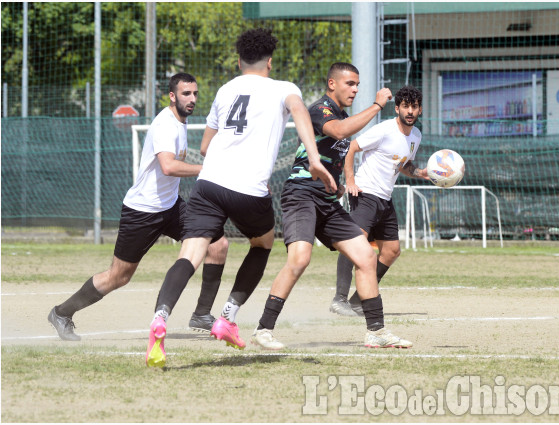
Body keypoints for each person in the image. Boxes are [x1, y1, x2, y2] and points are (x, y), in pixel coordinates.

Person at [145, 28, 336, 368]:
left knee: (190, 254)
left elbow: (205, 147)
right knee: (262, 244)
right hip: (248, 188)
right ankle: (227, 318)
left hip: (209, 183)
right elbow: (301, 112)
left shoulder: (226, 88)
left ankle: (160, 318)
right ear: (270, 61)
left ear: (239, 61)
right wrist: (315, 158)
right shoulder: (284, 88)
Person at [47, 72, 228, 341]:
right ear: (172, 96)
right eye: (186, 94)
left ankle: (202, 313)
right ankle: (62, 313)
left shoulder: (181, 122)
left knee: (217, 244)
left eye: (195, 93)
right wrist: (208, 169)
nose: (192, 99)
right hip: (142, 211)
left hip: (171, 208)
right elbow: (168, 166)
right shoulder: (165, 124)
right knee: (118, 277)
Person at [250, 67, 413, 351]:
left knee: (365, 255)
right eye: (350, 84)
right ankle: (263, 329)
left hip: (326, 200)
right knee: (299, 259)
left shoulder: (343, 117)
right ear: (331, 83)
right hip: (300, 195)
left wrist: (337, 184)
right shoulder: (318, 110)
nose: (354, 89)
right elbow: (338, 132)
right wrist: (377, 105)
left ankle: (376, 331)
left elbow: (335, 152)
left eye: (357, 85)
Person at [331, 85, 428, 317]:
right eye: (405, 106)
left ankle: (357, 301)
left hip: (385, 197)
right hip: (365, 192)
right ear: (397, 108)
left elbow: (404, 165)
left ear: (420, 110)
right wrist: (350, 180)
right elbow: (351, 148)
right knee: (355, 243)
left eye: (414, 106)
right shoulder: (384, 130)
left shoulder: (416, 136)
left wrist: (420, 173)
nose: (410, 111)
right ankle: (339, 299)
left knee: (392, 251)